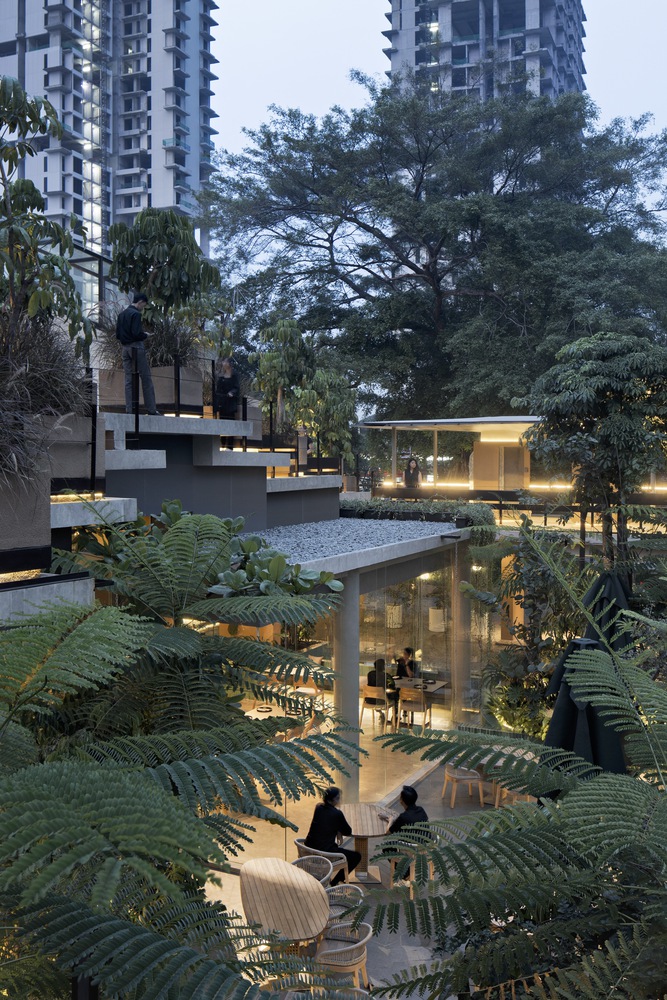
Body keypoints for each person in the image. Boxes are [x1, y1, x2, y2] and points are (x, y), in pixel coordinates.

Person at [304, 786, 361, 885]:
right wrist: (340, 830)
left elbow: (326, 823)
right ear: (333, 800)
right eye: (338, 798)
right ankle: (334, 883)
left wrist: (338, 831)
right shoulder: (337, 814)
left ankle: (329, 880)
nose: (340, 800)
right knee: (356, 856)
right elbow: (348, 831)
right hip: (325, 853)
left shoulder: (318, 807)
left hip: (308, 849)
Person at [116, 292, 161, 416]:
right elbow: (137, 333)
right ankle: (151, 409)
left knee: (128, 379)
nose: (143, 308)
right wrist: (145, 335)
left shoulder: (121, 315)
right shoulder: (135, 314)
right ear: (140, 302)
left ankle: (129, 409)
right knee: (146, 377)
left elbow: (118, 335)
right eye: (144, 305)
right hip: (136, 348)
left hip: (124, 348)